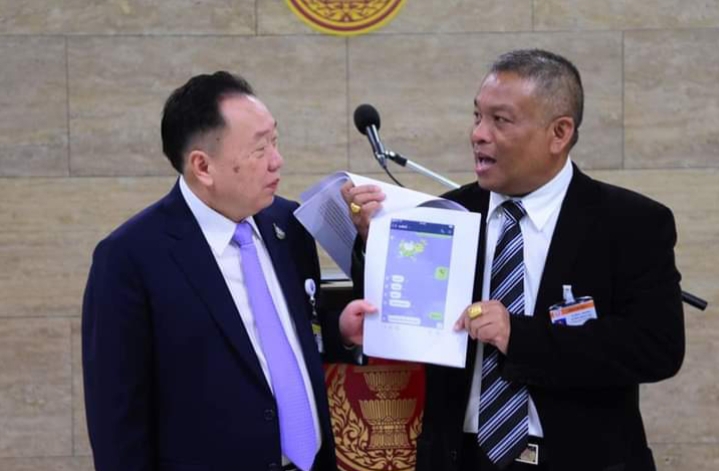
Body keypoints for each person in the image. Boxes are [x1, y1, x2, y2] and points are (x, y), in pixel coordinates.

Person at [342, 49, 685, 471]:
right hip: (462, 456)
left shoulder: (631, 222)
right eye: (476, 116)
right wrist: (374, 244)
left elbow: (657, 348)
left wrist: (517, 335)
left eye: (500, 120)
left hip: (582, 458)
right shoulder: (447, 214)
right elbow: (400, 320)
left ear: (559, 133)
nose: (478, 134)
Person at [82, 71, 374, 471]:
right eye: (259, 149)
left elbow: (284, 333)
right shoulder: (129, 259)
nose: (277, 160)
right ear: (202, 166)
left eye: (275, 140)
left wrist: (337, 329)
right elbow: (117, 424)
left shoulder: (288, 224)